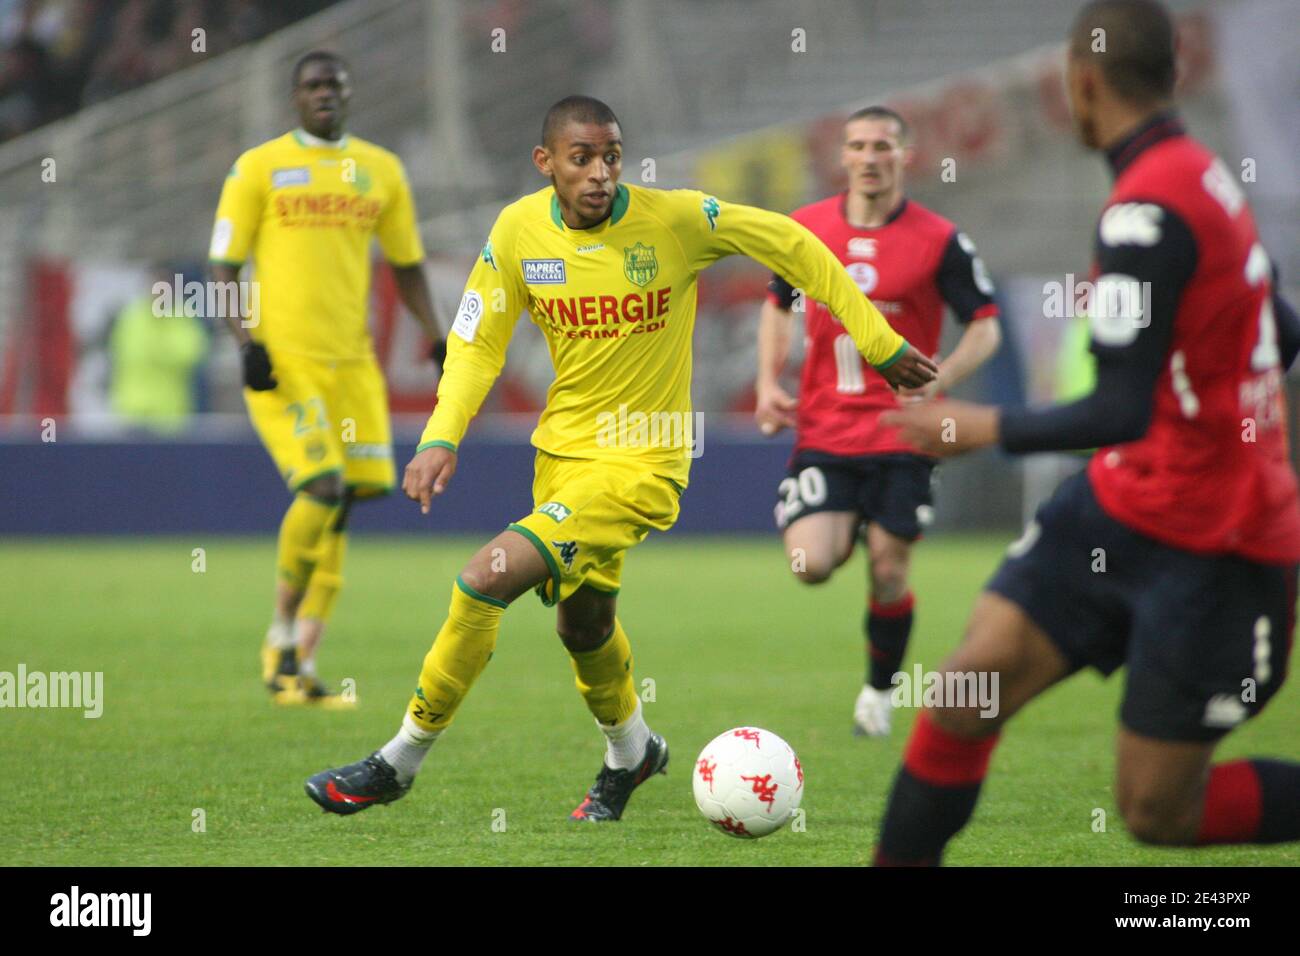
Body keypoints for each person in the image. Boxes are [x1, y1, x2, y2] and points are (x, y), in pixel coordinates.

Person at [304, 95, 938, 821]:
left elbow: (792, 245)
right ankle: (633, 754)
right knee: (585, 627)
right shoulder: (516, 232)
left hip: (642, 467)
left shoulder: (674, 220)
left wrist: (878, 343)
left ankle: (397, 762)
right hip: (562, 460)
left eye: (612, 156)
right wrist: (441, 436)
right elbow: (478, 341)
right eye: (583, 159)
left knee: (485, 579)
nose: (601, 173)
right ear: (546, 164)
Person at [873, 0, 1300, 864]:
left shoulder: (1145, 213)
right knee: (962, 694)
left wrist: (978, 426)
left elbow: (1118, 410)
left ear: (1083, 82)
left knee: (1155, 811)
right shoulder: (1202, 175)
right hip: (1122, 507)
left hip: (1217, 545)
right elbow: (1280, 325)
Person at [756, 106, 1001, 737]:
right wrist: (766, 382)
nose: (870, 157)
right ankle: (846, 526)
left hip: (903, 433)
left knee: (890, 570)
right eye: (858, 146)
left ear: (905, 155)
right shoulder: (804, 230)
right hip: (827, 432)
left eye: (883, 146)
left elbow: (986, 324)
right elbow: (777, 305)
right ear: (842, 157)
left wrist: (941, 379)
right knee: (810, 565)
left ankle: (877, 692)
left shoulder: (940, 239)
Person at [208, 51, 443, 706]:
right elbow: (222, 269)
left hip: (353, 365)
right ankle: (279, 638)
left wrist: (436, 334)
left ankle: (301, 669)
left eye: (334, 85)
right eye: (312, 86)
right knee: (322, 486)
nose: (324, 95)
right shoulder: (257, 168)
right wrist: (246, 345)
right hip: (286, 363)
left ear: (349, 94)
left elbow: (408, 266)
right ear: (294, 98)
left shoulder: (381, 171)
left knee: (341, 509)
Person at [109, 266, 209, 434]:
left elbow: (192, 354)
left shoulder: (182, 317)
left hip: (169, 415)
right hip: (131, 412)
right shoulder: (131, 316)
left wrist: (158, 346)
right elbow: (123, 354)